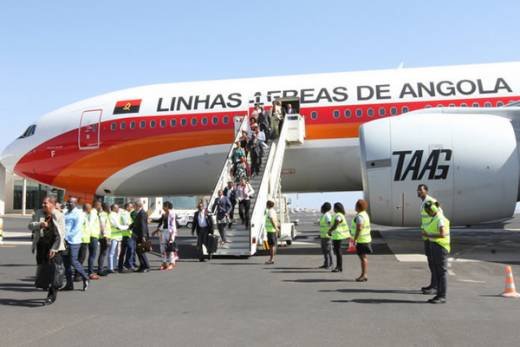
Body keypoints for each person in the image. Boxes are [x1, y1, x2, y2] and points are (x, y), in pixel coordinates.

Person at [29, 197, 65, 305]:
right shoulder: (38, 213)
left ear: (52, 204)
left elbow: (61, 234)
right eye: (43, 203)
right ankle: (46, 285)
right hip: (42, 246)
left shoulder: (59, 215)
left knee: (55, 271)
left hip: (55, 247)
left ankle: (51, 295)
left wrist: (54, 248)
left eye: (45, 203)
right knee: (43, 268)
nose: (43, 205)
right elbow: (30, 225)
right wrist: (39, 225)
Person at [422, 201, 451, 304]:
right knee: (438, 272)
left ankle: (442, 296)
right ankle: (439, 294)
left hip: (440, 247)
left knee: (441, 273)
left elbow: (442, 234)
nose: (427, 213)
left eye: (428, 211)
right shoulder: (435, 217)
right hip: (436, 246)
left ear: (432, 210)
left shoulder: (439, 219)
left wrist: (429, 235)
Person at [62, 198, 89, 291]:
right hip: (64, 241)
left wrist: (66, 237)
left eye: (70, 202)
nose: (68, 203)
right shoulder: (65, 212)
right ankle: (69, 285)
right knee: (66, 264)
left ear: (75, 203)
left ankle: (85, 277)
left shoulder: (79, 213)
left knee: (73, 261)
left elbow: (76, 228)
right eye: (68, 202)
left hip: (74, 241)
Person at [417, 184, 440, 294]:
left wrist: (432, 233)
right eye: (418, 190)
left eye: (421, 190)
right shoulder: (423, 202)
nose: (419, 191)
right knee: (430, 261)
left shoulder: (431, 201)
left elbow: (438, 216)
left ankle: (435, 287)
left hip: (432, 236)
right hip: (427, 236)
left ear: (426, 191)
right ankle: (433, 284)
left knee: (434, 262)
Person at [351, 199, 372, 282]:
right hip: (366, 239)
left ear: (358, 207)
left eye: (356, 205)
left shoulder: (360, 216)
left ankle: (364, 275)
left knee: (363, 258)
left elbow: (359, 228)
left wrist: (355, 239)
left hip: (361, 240)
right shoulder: (365, 214)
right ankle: (364, 274)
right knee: (364, 257)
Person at [153, 201, 177, 270]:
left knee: (170, 248)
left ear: (167, 206)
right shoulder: (164, 214)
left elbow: (172, 225)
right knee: (162, 248)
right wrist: (156, 231)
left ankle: (172, 263)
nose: (163, 207)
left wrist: (171, 235)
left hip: (170, 232)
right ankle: (164, 263)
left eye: (163, 206)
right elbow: (163, 224)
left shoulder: (172, 213)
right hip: (163, 232)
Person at [328, 202, 350, 273]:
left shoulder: (338, 215)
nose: (333, 209)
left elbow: (336, 224)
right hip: (338, 235)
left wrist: (330, 230)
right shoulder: (340, 215)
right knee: (338, 251)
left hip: (338, 236)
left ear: (336, 208)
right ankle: (339, 266)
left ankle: (339, 267)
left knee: (338, 252)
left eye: (334, 208)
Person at [84, 203, 101, 280]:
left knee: (89, 255)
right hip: (93, 235)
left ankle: (90, 271)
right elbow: (90, 224)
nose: (100, 207)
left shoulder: (89, 213)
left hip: (89, 235)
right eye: (99, 205)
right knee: (92, 255)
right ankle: (90, 272)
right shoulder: (93, 213)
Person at [108, 204, 127, 274]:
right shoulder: (111, 215)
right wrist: (126, 227)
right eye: (117, 208)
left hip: (118, 236)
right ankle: (110, 267)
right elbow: (117, 226)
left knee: (116, 252)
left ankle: (114, 266)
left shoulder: (116, 215)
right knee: (112, 252)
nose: (118, 209)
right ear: (114, 208)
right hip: (113, 236)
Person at [132, 202, 151, 272]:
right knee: (138, 251)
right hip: (138, 235)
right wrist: (129, 227)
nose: (134, 208)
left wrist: (143, 236)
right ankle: (142, 266)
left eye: (134, 206)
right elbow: (135, 223)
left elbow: (143, 225)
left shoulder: (142, 213)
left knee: (142, 251)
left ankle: (147, 266)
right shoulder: (139, 213)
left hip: (141, 235)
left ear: (138, 206)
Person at [119, 202, 136, 272]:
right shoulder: (124, 214)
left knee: (124, 250)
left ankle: (123, 265)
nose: (132, 208)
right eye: (131, 207)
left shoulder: (127, 214)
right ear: (127, 207)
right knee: (130, 249)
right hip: (127, 234)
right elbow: (127, 223)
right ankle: (128, 264)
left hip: (126, 234)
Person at [96, 202, 111, 276]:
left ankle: (100, 269)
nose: (109, 209)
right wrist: (105, 236)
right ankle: (100, 270)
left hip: (104, 236)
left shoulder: (105, 214)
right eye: (109, 207)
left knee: (103, 253)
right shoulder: (103, 214)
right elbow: (102, 225)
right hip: (104, 236)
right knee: (103, 253)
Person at [318, 202, 333, 270]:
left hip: (327, 236)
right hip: (323, 236)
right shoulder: (324, 215)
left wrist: (329, 233)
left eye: (321, 207)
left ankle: (330, 264)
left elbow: (330, 224)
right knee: (324, 251)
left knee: (328, 250)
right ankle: (326, 263)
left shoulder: (327, 215)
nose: (320, 209)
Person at [264, 200, 280, 265]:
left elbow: (272, 220)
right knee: (273, 245)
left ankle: (271, 259)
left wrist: (275, 227)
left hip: (271, 230)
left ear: (268, 205)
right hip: (272, 230)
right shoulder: (273, 211)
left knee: (271, 245)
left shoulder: (270, 211)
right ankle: (272, 258)